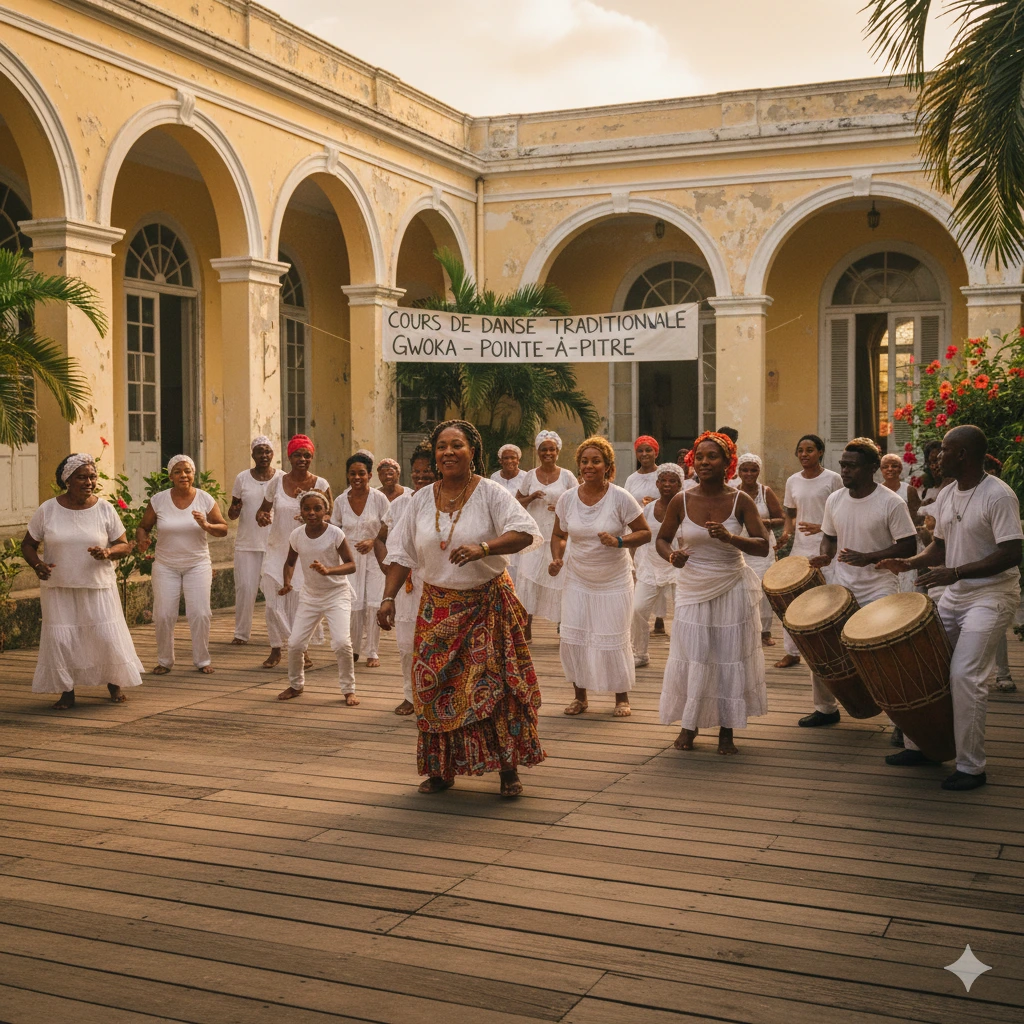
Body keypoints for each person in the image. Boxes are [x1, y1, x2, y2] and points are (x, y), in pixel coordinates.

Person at [378, 419, 544, 798]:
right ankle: (441, 770)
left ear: (473, 452)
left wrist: (483, 548)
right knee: (433, 686)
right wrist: (387, 597)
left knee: (495, 689)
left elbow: (525, 533)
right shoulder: (419, 499)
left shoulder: (490, 493)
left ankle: (507, 769)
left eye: (457, 445)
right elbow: (400, 552)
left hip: (487, 602)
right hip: (436, 605)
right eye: (441, 447)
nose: (448, 452)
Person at [879, 425, 1023, 791]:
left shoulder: (999, 495)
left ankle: (972, 767)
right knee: (921, 661)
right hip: (955, 593)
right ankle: (921, 746)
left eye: (944, 450)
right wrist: (910, 563)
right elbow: (940, 546)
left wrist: (954, 572)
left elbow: (1011, 553)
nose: (937, 457)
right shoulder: (946, 494)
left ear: (963, 454)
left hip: (991, 596)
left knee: (964, 675)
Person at [657, 431, 769, 754]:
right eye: (700, 456)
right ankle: (688, 725)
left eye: (712, 457)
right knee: (694, 654)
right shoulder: (682, 499)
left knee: (726, 655)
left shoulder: (740, 500)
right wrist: (671, 556)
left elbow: (762, 546)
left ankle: (726, 730)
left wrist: (731, 538)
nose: (704, 462)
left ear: (727, 464)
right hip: (692, 586)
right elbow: (662, 539)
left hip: (730, 584)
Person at [803, 438, 918, 726]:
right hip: (842, 585)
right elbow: (829, 536)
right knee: (822, 647)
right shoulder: (835, 499)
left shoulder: (891, 502)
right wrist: (825, 556)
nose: (844, 471)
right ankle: (826, 709)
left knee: (883, 657)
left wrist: (869, 557)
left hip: (879, 588)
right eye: (842, 465)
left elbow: (908, 546)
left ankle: (899, 724)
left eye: (852, 466)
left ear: (872, 468)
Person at [21, 454, 144, 709]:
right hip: (59, 587)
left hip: (97, 586)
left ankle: (114, 682)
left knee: (105, 636)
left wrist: (108, 552)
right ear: (67, 480)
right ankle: (67, 691)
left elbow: (124, 545)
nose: (89, 482)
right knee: (63, 640)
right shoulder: (48, 509)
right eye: (82, 477)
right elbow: (28, 544)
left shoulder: (105, 509)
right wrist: (37, 565)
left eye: (92, 477)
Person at [551, 436, 651, 717]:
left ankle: (621, 697)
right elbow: (559, 534)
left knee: (613, 635)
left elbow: (644, 532)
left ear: (608, 466)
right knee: (574, 636)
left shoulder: (620, 497)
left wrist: (619, 542)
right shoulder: (568, 498)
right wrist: (557, 558)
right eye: (584, 461)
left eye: (596, 461)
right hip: (577, 577)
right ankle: (580, 697)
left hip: (614, 580)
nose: (589, 466)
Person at [137, 454, 228, 675]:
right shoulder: (159, 500)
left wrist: (206, 524)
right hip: (166, 565)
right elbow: (143, 527)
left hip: (197, 564)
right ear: (170, 476)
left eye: (187, 471)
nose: (183, 475)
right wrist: (142, 540)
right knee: (164, 614)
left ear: (193, 474)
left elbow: (223, 528)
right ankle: (165, 660)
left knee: (200, 612)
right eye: (177, 471)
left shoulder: (205, 499)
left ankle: (202, 660)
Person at [275, 490, 358, 704]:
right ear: (300, 511)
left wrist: (329, 570)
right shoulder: (297, 535)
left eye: (317, 508)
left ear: (325, 511)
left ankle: (348, 690)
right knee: (295, 644)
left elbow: (351, 565)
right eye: (307, 508)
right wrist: (287, 582)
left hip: (337, 594)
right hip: (310, 596)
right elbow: (290, 562)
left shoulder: (335, 534)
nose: (311, 512)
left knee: (341, 643)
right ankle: (296, 685)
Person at [255, 434, 331, 669]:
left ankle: (301, 650)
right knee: (272, 601)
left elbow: (330, 515)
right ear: (289, 456)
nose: (302, 459)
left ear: (312, 457)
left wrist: (313, 516)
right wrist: (263, 516)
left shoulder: (321, 484)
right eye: (297, 454)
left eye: (306, 455)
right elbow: (262, 511)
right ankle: (276, 647)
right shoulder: (276, 483)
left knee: (301, 603)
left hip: (305, 552)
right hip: (277, 549)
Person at [776, 434, 843, 672]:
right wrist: (786, 533)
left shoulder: (833, 479)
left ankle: (831, 650)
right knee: (794, 601)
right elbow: (790, 514)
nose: (804, 454)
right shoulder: (793, 481)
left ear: (821, 452)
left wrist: (822, 527)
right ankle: (792, 652)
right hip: (800, 548)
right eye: (800, 450)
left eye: (810, 450)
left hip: (828, 547)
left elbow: (842, 511)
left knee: (827, 599)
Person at [379, 440, 436, 715]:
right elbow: (380, 537)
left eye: (428, 474)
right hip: (406, 585)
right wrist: (386, 563)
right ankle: (410, 696)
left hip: (437, 583)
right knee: (405, 645)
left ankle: (434, 696)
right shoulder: (401, 503)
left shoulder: (445, 502)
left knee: (434, 644)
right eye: (417, 473)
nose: (422, 478)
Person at [516, 431, 578, 638]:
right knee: (529, 579)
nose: (548, 453)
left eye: (552, 449)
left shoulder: (568, 476)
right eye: (544, 449)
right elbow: (517, 503)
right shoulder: (529, 476)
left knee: (561, 578)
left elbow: (578, 502)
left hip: (558, 536)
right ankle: (526, 628)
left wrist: (562, 508)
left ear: (558, 452)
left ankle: (563, 625)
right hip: (535, 535)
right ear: (538, 452)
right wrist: (531, 497)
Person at [331, 452, 389, 667]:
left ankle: (372, 650)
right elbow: (335, 529)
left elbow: (388, 524)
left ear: (370, 475)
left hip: (375, 556)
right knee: (354, 603)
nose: (357, 478)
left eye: (361, 474)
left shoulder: (379, 498)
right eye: (353, 474)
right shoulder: (340, 501)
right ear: (348, 475)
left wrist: (373, 541)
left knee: (374, 602)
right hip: (350, 557)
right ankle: (354, 648)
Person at [228, 436, 283, 645]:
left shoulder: (282, 478)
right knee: (245, 588)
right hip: (247, 543)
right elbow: (233, 513)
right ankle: (241, 633)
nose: (264, 455)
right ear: (252, 454)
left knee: (276, 590)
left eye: (268, 451)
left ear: (273, 454)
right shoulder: (242, 478)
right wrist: (234, 510)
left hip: (275, 544)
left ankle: (279, 633)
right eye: (259, 451)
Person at [631, 463, 684, 668]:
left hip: (679, 567)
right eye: (664, 481)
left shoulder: (687, 508)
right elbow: (640, 534)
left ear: (680, 485)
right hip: (650, 565)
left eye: (673, 481)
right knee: (638, 610)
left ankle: (682, 655)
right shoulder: (648, 509)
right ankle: (640, 653)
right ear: (657, 483)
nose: (668, 485)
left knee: (682, 612)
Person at [735, 453, 785, 646]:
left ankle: (765, 631)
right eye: (745, 470)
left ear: (759, 471)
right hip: (742, 545)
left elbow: (781, 518)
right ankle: (744, 628)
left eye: (753, 470)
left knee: (763, 589)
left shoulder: (766, 492)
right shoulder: (734, 493)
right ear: (738, 471)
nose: (749, 474)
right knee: (742, 588)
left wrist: (764, 522)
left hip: (764, 547)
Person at [490, 443, 527, 585]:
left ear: (518, 460)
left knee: (518, 563)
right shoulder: (494, 477)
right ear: (500, 461)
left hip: (519, 524)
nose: (510, 461)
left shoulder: (525, 477)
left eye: (513, 458)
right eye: (506, 458)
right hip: (499, 524)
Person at [624, 436, 661, 506]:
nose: (644, 454)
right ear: (636, 454)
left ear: (656, 453)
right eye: (640, 451)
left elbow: (674, 501)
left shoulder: (664, 475)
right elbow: (626, 505)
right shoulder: (631, 479)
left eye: (648, 450)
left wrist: (656, 503)